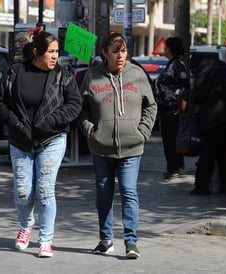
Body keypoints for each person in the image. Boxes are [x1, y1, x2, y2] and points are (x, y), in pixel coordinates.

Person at [0, 31, 82, 258]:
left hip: (52, 139)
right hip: (20, 140)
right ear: (36, 52)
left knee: (44, 190)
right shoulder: (15, 72)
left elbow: (74, 104)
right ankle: (26, 225)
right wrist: (17, 125)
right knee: (23, 192)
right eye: (51, 52)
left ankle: (46, 240)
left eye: (57, 52)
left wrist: (50, 122)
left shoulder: (63, 75)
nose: (55, 56)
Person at [79, 32, 157, 259]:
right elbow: (81, 107)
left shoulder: (137, 75)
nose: (120, 56)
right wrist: (89, 129)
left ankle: (131, 241)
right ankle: (105, 239)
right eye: (115, 51)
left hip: (132, 147)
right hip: (101, 147)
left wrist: (142, 132)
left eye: (123, 51)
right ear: (104, 53)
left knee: (129, 191)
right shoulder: (92, 77)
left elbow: (151, 106)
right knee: (104, 193)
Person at [189, 55, 226, 195]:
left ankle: (201, 187)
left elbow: (198, 95)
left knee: (207, 152)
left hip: (215, 118)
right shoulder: (224, 67)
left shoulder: (203, 71)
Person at [155, 37, 189, 180]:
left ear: (170, 48)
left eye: (166, 47)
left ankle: (175, 167)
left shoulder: (177, 65)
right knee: (169, 139)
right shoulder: (171, 64)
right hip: (165, 108)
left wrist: (179, 107)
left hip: (172, 109)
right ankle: (175, 166)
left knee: (171, 139)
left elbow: (184, 87)